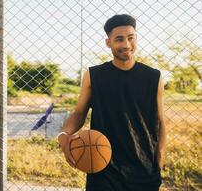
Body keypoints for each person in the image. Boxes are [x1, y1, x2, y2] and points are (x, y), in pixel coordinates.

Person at [57, 14, 166, 191]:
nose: (126, 44)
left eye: (131, 38)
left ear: (136, 38)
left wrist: (160, 157)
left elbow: (160, 121)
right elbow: (79, 113)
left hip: (144, 167)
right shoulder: (94, 75)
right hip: (103, 168)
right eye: (119, 39)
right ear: (108, 43)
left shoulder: (154, 77)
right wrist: (63, 135)